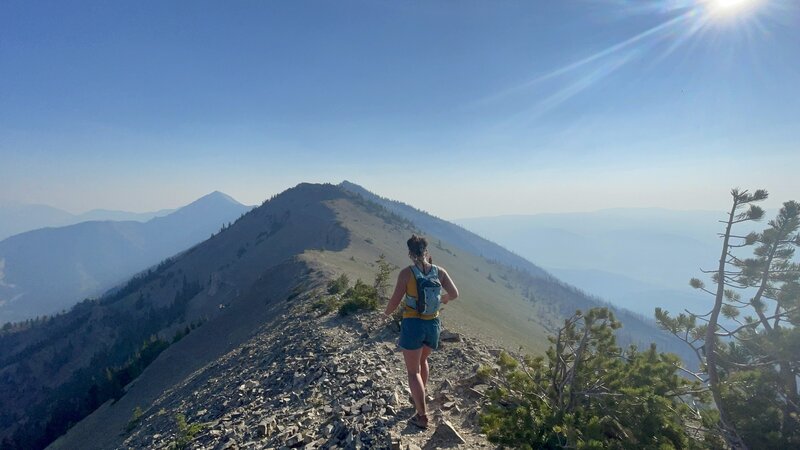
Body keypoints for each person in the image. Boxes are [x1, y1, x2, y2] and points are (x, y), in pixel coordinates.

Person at [383, 234, 459, 429]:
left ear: (410, 253)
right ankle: (420, 396)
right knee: (423, 361)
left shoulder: (406, 274)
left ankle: (422, 416)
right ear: (427, 251)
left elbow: (395, 300)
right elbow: (454, 294)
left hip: (413, 324)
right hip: (433, 324)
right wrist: (443, 300)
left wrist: (384, 315)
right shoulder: (439, 272)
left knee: (412, 371)